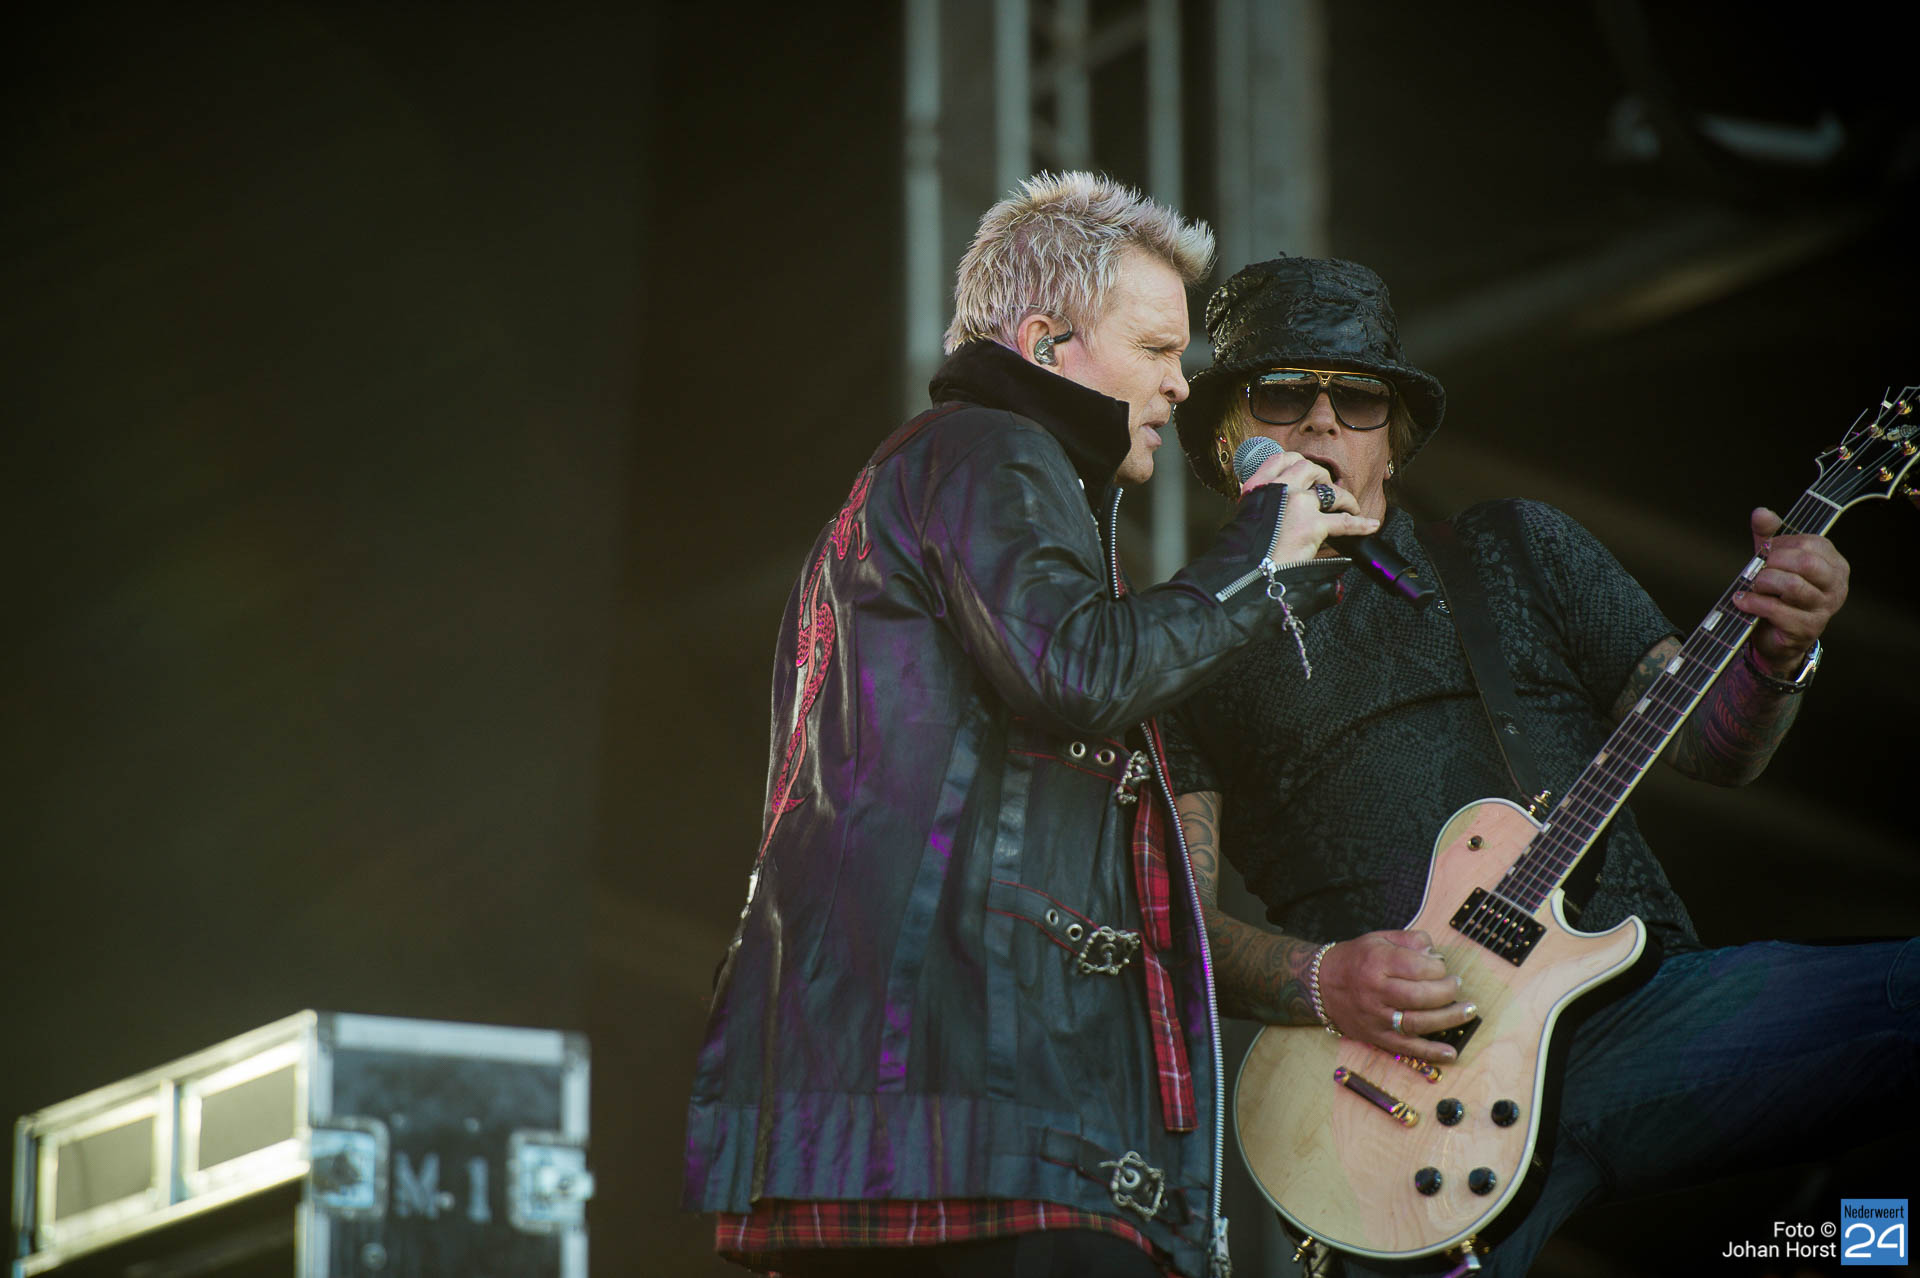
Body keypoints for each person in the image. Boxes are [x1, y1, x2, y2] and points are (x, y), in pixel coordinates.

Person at [1163, 255, 1918, 1276]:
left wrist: (1780, 657)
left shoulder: (1516, 549)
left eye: (1360, 399)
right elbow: (1169, 922)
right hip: (1397, 1092)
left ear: (1394, 437)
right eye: (1284, 393)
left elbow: (1709, 744)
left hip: (1640, 1016)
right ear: (1225, 435)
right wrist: (1321, 978)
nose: (1324, 420)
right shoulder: (1183, 652)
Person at [682, 178, 1381, 1278]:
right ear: (1048, 345)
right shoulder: (987, 450)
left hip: (902, 1113)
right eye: (1155, 348)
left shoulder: (945, 471)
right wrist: (1259, 552)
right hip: (969, 1113)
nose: (1180, 381)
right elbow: (1076, 669)